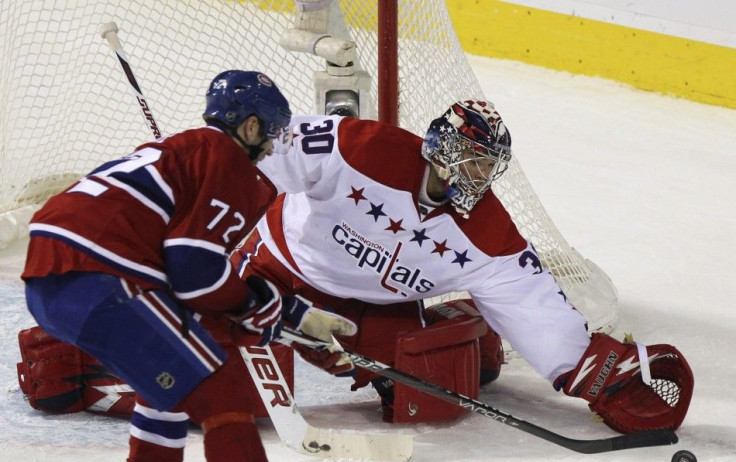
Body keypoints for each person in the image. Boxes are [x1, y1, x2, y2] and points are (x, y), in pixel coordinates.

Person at [20, 69, 354, 462]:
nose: (272, 147)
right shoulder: (228, 160)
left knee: (183, 354)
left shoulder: (184, 150)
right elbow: (195, 275)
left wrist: (289, 314)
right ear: (251, 127)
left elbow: (196, 293)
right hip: (102, 275)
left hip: (52, 276)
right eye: (272, 132)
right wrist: (261, 310)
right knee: (226, 397)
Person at [229, 100, 694, 431]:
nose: (479, 176)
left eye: (487, 167)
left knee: (428, 392)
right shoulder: (362, 149)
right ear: (440, 148)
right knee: (236, 392)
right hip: (283, 268)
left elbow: (530, 300)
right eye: (471, 161)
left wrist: (595, 370)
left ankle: (476, 333)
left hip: (374, 306)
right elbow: (260, 154)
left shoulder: (488, 230)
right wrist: (186, 215)